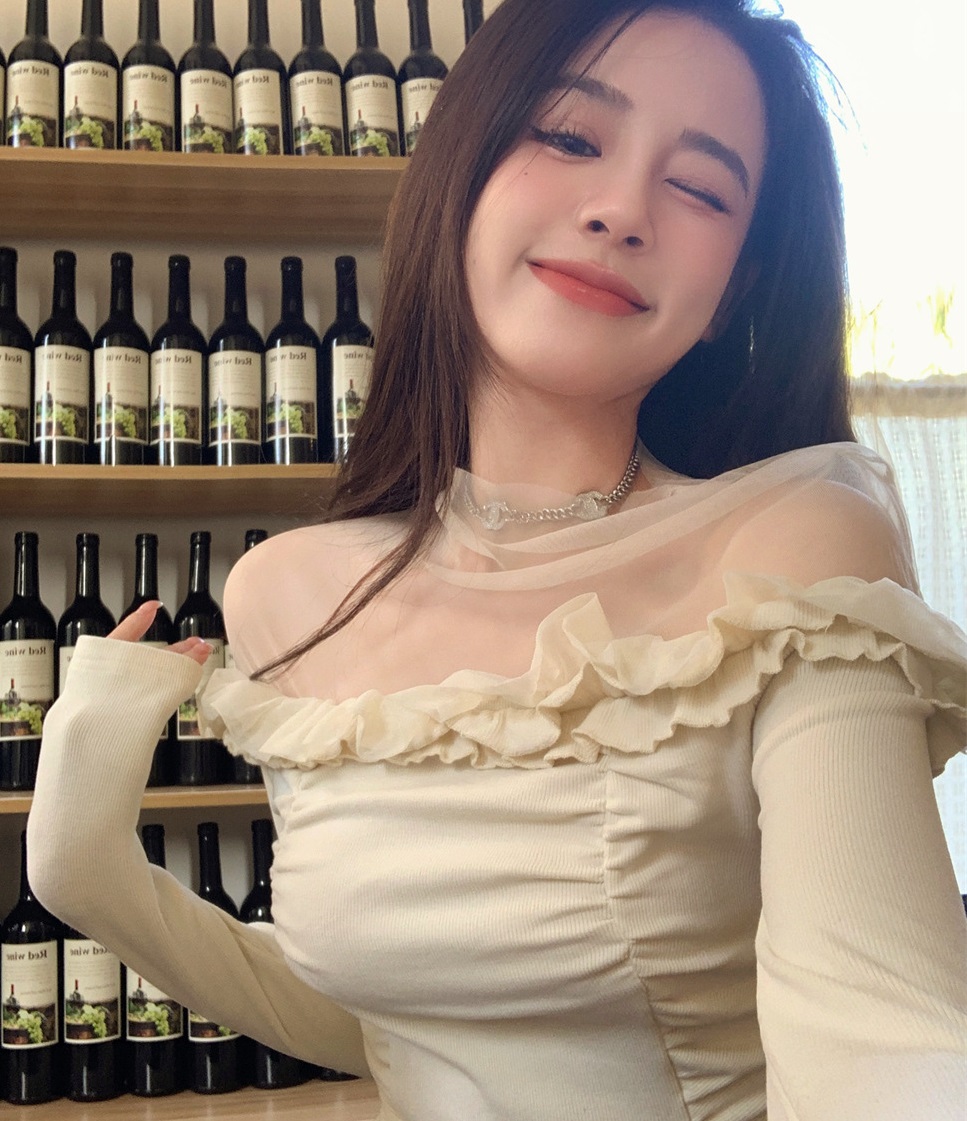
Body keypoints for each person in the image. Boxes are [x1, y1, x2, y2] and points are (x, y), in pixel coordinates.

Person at [28, 1, 966, 1118]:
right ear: (459, 177)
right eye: (569, 136)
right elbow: (381, 1010)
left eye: (700, 189)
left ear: (736, 294)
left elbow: (880, 1034)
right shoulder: (290, 591)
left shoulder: (792, 546)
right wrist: (76, 855)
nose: (621, 209)